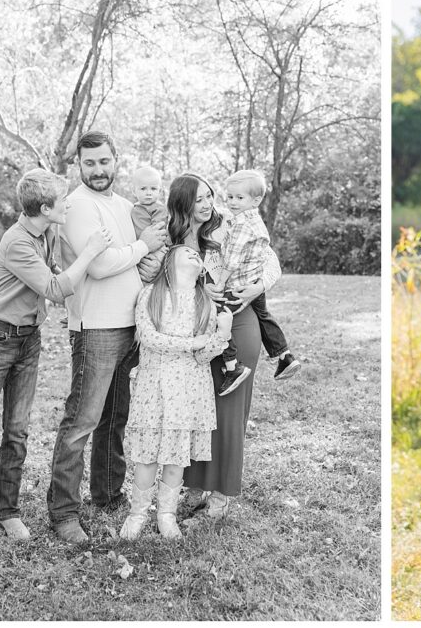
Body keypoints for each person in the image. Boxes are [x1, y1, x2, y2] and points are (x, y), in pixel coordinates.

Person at [0, 169, 111, 548]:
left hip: (27, 341)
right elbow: (54, 287)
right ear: (46, 207)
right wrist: (90, 252)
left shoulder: (48, 232)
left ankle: (8, 512)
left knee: (17, 432)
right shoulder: (16, 241)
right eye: (62, 200)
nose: (67, 204)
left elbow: (54, 274)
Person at [46, 131, 168, 543]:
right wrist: (142, 246)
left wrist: (144, 249)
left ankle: (108, 494)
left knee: (115, 419)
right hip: (96, 327)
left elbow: (140, 258)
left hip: (130, 324)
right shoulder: (78, 205)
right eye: (89, 163)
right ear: (78, 165)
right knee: (81, 421)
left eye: (104, 161)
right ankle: (64, 513)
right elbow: (97, 266)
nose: (98, 170)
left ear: (117, 160)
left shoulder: (124, 206)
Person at [162, 173, 281, 520]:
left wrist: (258, 287)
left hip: (237, 323)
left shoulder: (227, 224)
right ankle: (194, 485)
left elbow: (270, 259)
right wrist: (200, 289)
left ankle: (219, 494)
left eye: (209, 196)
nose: (206, 204)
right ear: (182, 203)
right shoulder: (171, 236)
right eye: (198, 199)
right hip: (195, 331)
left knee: (227, 411)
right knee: (198, 411)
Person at [119, 245, 233, 540]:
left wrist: (221, 336)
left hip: (189, 391)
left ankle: (166, 514)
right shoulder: (151, 296)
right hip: (153, 388)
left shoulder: (204, 302)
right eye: (187, 251)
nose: (196, 254)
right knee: (146, 457)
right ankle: (137, 513)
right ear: (169, 263)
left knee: (175, 458)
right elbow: (149, 338)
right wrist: (193, 343)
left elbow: (203, 356)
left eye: (198, 255)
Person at [209, 169, 301, 393]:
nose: (232, 202)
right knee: (264, 315)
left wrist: (220, 283)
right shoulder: (253, 220)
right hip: (254, 283)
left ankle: (232, 367)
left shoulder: (241, 225)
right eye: (230, 197)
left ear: (256, 200)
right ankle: (284, 355)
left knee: (218, 315)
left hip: (239, 285)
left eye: (239, 198)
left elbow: (231, 260)